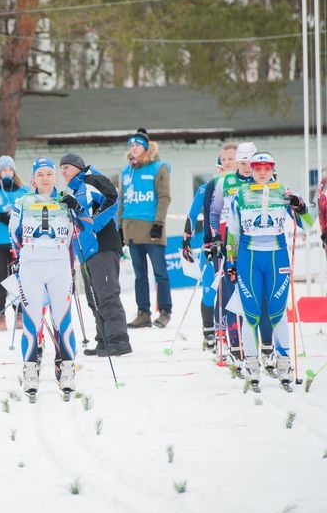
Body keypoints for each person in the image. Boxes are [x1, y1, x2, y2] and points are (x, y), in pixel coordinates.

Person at [225, 151, 312, 391]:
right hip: (249, 258)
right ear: (251, 169)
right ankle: (252, 365)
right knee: (250, 312)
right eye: (257, 167)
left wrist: (301, 206)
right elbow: (232, 231)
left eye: (267, 167)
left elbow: (308, 222)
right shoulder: (239, 195)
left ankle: (284, 365)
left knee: (277, 312)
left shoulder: (284, 192)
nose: (262, 172)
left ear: (273, 168)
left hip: (277, 257)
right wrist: (231, 261)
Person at [9, 157, 80, 400]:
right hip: (31, 267)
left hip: (59, 266)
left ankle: (68, 371)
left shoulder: (65, 201)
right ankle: (30, 372)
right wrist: (23, 256)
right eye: (40, 175)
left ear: (55, 176)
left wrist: (77, 207)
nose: (45, 179)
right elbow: (13, 234)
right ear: (33, 178)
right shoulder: (22, 202)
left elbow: (80, 228)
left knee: (63, 318)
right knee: (32, 321)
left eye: (49, 174)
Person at [59, 153, 132, 357]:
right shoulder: (74, 191)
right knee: (94, 298)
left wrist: (93, 224)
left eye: (66, 167)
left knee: (107, 294)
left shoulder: (93, 179)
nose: (62, 171)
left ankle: (118, 340)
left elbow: (113, 198)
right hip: (86, 250)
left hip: (103, 245)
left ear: (78, 167)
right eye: (61, 168)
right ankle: (104, 339)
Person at [181, 143, 236, 353]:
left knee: (230, 291)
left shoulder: (241, 187)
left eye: (229, 163)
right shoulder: (208, 188)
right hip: (211, 247)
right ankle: (209, 332)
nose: (223, 169)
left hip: (233, 245)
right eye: (221, 165)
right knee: (209, 291)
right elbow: (192, 215)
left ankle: (229, 332)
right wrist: (186, 240)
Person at [208, 141, 257, 370]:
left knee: (253, 294)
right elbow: (214, 213)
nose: (247, 167)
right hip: (230, 244)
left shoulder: (261, 180)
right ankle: (235, 345)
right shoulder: (224, 181)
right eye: (243, 162)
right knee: (229, 293)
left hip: (255, 242)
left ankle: (256, 346)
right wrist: (216, 237)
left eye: (251, 161)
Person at [118, 128, 173, 328]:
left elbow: (164, 197)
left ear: (146, 148)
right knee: (139, 274)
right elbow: (122, 200)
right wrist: (119, 227)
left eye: (137, 145)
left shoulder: (159, 168)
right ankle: (143, 313)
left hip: (152, 228)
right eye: (131, 145)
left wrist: (159, 223)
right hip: (131, 228)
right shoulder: (126, 171)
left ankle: (165, 311)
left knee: (160, 272)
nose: (133, 148)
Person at [0, 155, 30, 331]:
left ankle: (20, 313)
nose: (7, 172)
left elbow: (30, 214)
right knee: (1, 279)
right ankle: (0, 315)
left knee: (19, 277)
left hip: (18, 241)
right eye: (4, 170)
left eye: (10, 169)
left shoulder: (23, 190)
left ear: (14, 171)